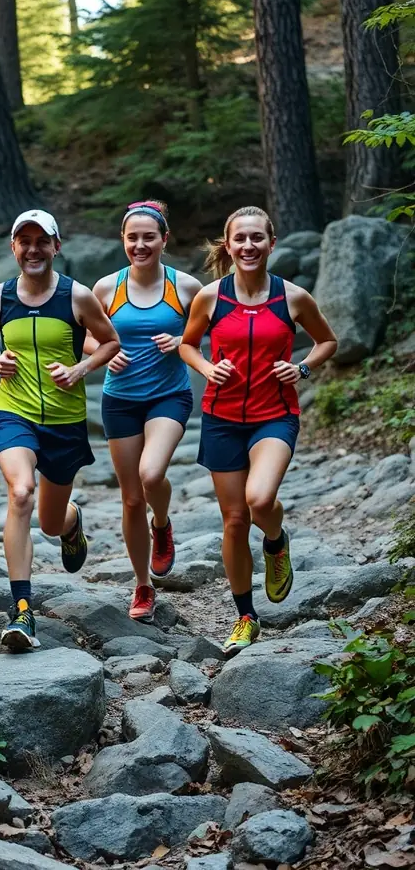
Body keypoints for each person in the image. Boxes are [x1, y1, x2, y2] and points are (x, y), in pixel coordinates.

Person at [179, 205, 337, 656]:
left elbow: (328, 341)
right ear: (227, 246)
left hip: (274, 415)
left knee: (260, 500)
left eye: (257, 238)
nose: (248, 246)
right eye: (239, 239)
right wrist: (209, 368)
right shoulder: (210, 297)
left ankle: (275, 540)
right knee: (232, 520)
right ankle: (245, 616)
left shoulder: (293, 297)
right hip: (222, 418)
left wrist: (302, 368)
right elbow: (188, 346)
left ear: (271, 243)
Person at [0, 209, 120, 652]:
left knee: (51, 521)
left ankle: (72, 521)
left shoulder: (77, 297)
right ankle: (22, 609)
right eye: (25, 241)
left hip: (64, 422)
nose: (33, 249)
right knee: (21, 493)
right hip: (13, 412)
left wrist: (80, 368)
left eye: (43, 241)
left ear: (56, 247)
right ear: (14, 248)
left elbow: (111, 342)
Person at [88, 201, 202, 623]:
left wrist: (182, 343)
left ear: (163, 240)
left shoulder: (186, 287)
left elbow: (204, 337)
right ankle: (142, 584)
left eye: (148, 237)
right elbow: (82, 337)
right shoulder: (104, 289)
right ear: (123, 240)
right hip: (120, 399)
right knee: (131, 498)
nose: (140, 244)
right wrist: (103, 355)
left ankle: (164, 523)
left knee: (151, 474)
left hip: (168, 396)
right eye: (132, 237)